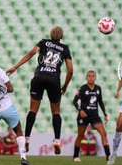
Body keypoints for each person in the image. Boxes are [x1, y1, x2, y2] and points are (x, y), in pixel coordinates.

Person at [7, 26, 73, 154]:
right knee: (55, 112)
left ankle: (26, 139)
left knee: (33, 110)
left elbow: (30, 54)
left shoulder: (43, 42)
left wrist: (15, 67)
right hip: (54, 80)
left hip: (39, 77)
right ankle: (57, 141)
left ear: (50, 34)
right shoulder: (65, 49)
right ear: (61, 36)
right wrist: (65, 85)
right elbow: (70, 70)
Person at [72, 70, 110, 162]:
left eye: (93, 76)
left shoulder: (98, 89)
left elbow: (100, 102)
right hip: (83, 116)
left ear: (95, 77)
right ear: (86, 77)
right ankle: (75, 156)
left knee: (103, 133)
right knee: (80, 136)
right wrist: (80, 110)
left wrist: (105, 114)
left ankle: (108, 155)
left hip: (94, 116)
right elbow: (74, 101)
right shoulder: (82, 89)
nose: (91, 77)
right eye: (89, 76)